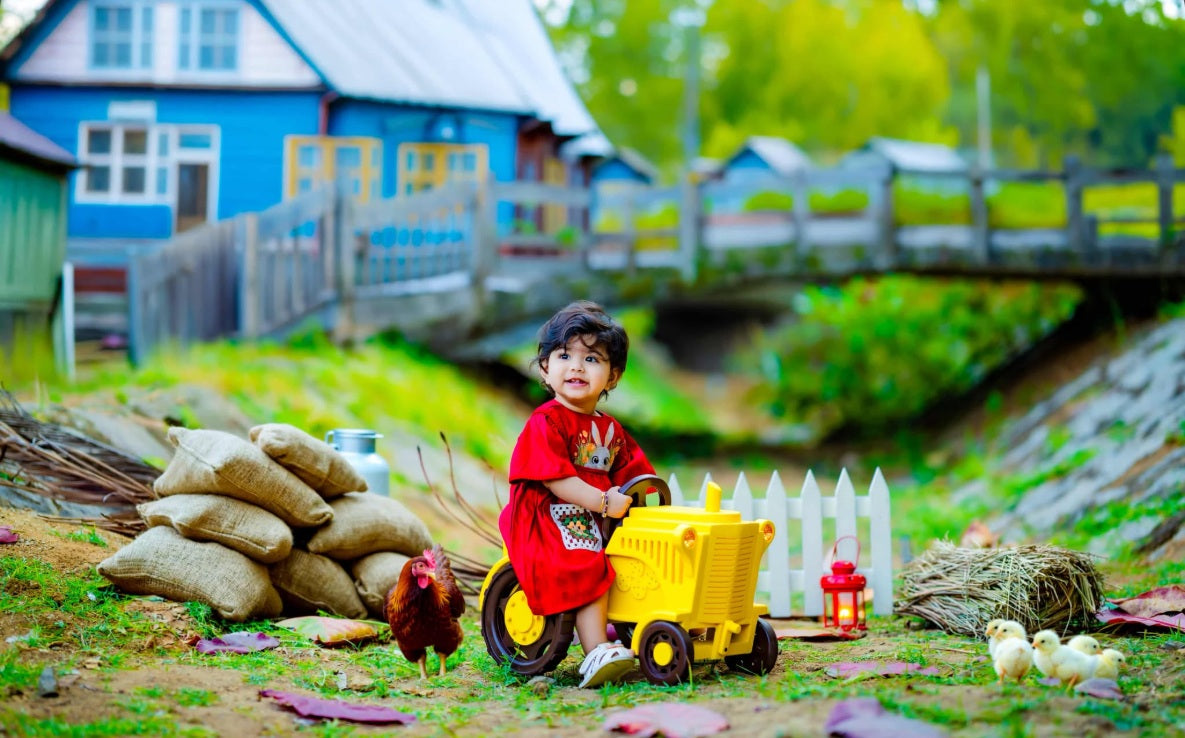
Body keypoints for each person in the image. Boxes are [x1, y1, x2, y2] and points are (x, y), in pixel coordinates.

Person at [498, 301, 655, 688]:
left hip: (591, 514)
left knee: (631, 552)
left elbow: (637, 472)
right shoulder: (546, 422)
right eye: (565, 355)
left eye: (593, 358)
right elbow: (556, 481)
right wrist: (605, 502)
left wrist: (645, 499)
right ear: (546, 368)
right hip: (546, 514)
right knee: (586, 557)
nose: (577, 366)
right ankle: (596, 649)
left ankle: (631, 623)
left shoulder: (610, 429)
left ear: (612, 376)